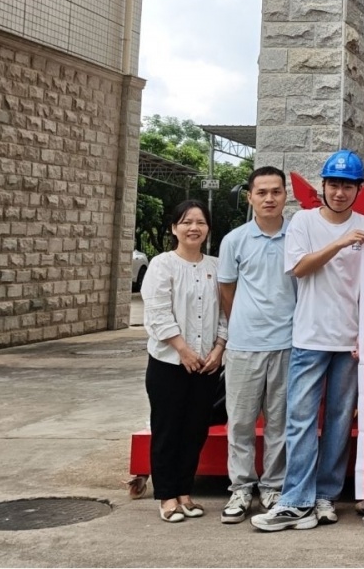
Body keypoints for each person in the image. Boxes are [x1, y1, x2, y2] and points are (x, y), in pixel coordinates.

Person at [251, 150, 364, 532]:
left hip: (351, 340)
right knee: (301, 420)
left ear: (359, 189)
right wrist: (340, 243)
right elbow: (298, 267)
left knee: (340, 422)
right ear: (323, 186)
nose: (340, 193)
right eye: (334, 185)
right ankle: (296, 500)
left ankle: (325, 496)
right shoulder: (304, 222)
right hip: (309, 337)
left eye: (348, 186)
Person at [217, 166, 297, 524]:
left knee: (279, 422)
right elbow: (227, 290)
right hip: (244, 346)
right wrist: (242, 324)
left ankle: (273, 487)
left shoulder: (297, 237)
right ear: (249, 197)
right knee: (241, 423)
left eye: (276, 191)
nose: (269, 198)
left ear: (285, 196)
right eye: (261, 192)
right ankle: (240, 488)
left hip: (287, 344)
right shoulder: (235, 240)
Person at [141, 199, 226, 523]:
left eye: (200, 222)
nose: (194, 228)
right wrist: (183, 350)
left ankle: (185, 492)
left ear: (208, 229)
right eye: (186, 222)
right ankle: (166, 495)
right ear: (174, 228)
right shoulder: (162, 265)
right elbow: (157, 313)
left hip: (207, 365)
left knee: (195, 431)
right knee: (168, 430)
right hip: (168, 364)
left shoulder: (216, 266)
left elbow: (226, 311)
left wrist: (219, 348)